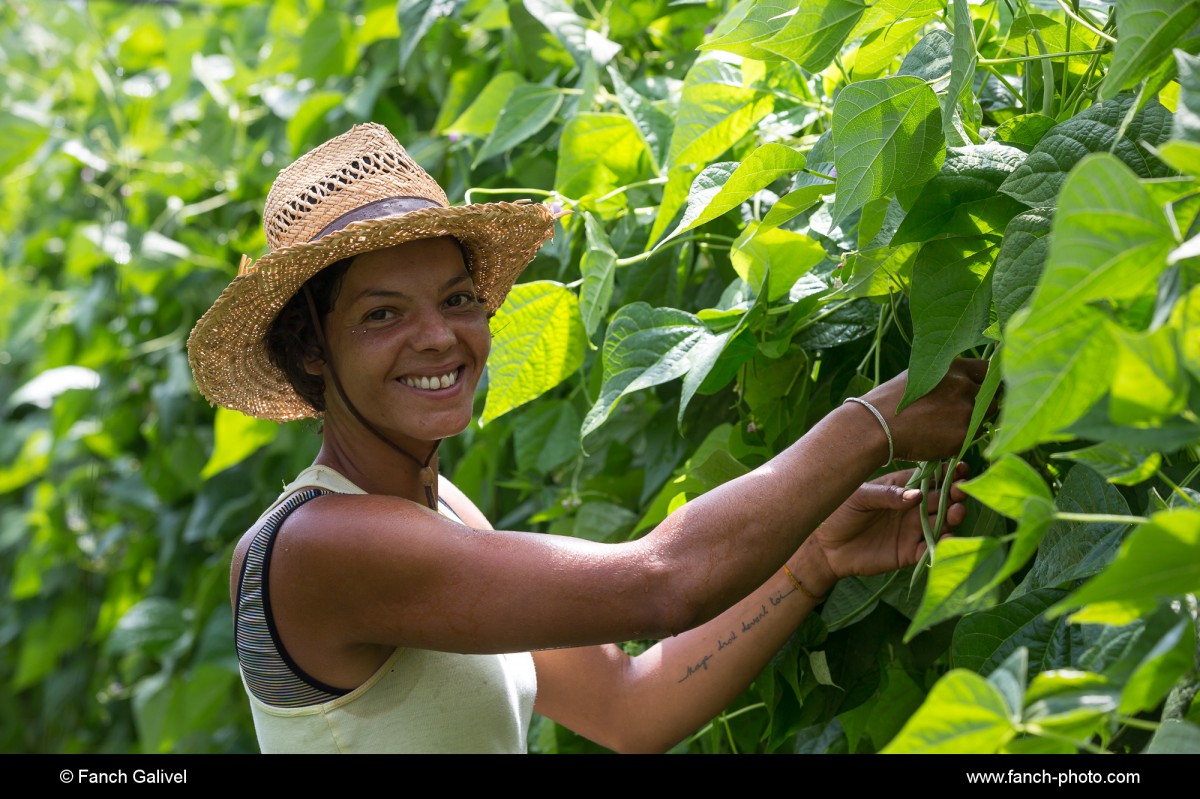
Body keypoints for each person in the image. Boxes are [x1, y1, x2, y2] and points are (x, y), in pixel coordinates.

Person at [187, 123, 987, 753]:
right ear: (309, 352)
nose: (438, 337)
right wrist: (873, 423)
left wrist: (814, 561)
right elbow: (663, 580)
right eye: (382, 314)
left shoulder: (444, 512)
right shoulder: (318, 546)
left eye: (459, 299)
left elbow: (627, 706)